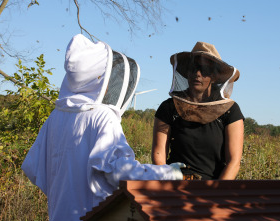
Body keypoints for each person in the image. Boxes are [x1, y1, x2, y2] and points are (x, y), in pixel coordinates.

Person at [21, 34, 185, 221]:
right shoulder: (102, 116)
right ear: (97, 79)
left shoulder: (55, 116)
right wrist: (167, 174)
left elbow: (32, 168)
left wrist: (66, 192)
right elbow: (121, 173)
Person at [151, 42, 244, 180]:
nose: (197, 74)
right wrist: (168, 185)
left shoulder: (230, 110)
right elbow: (159, 155)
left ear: (214, 76)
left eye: (204, 70)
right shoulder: (169, 107)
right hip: (174, 185)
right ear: (187, 72)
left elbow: (234, 162)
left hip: (213, 189)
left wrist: (215, 194)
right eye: (193, 69)